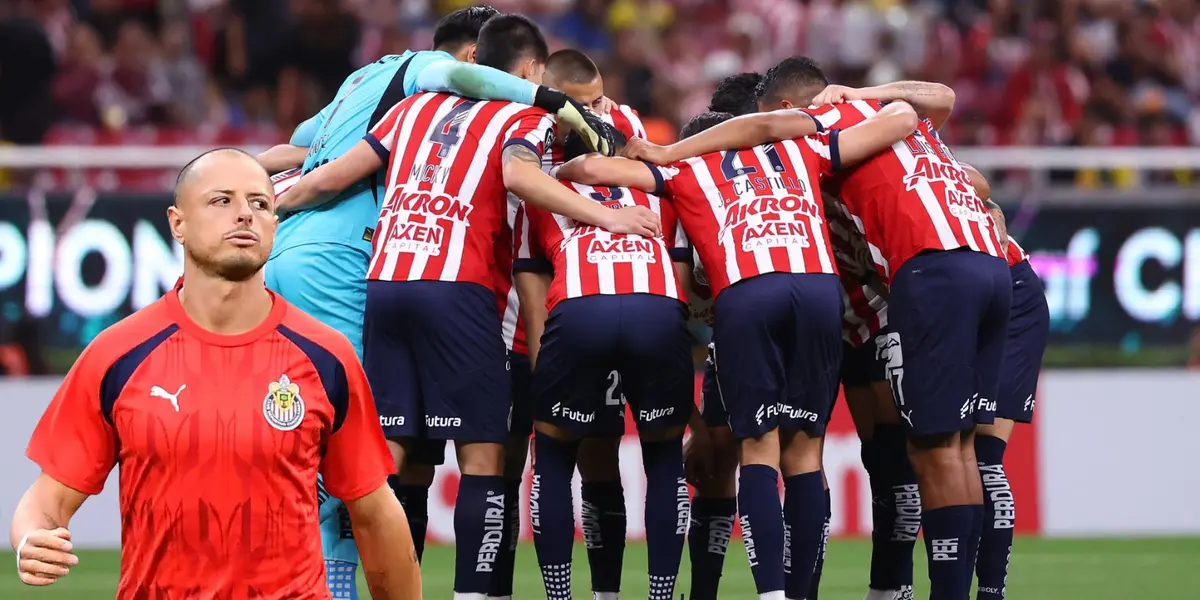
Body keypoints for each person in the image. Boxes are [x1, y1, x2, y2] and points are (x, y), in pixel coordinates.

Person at [281, 15, 660, 599]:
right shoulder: (521, 115)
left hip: (386, 282)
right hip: (457, 287)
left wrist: (259, 208)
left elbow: (324, 177)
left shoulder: (407, 112)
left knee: (395, 453)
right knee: (484, 452)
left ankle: (377, 588)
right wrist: (611, 215)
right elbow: (519, 174)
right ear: (531, 71)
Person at [648, 59, 1007, 599]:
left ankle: (891, 587)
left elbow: (964, 168)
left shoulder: (815, 138)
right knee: (775, 453)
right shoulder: (766, 164)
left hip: (869, 308)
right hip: (825, 305)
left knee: (889, 453)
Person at [9, 148, 420, 599]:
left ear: (275, 223)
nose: (244, 214)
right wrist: (31, 538)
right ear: (177, 223)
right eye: (221, 200)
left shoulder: (326, 356)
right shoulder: (118, 354)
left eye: (260, 203)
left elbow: (376, 513)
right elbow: (48, 501)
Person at [561, 101, 919, 600]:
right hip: (818, 289)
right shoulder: (801, 147)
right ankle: (800, 594)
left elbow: (591, 168)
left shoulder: (682, 167)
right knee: (805, 454)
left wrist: (559, 166)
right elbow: (903, 120)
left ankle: (770, 594)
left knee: (759, 448)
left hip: (748, 290)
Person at [515, 130, 693, 600]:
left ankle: (559, 596)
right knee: (665, 459)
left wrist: (544, 391)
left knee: (553, 459)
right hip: (657, 307)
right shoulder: (655, 189)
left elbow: (534, 303)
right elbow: (680, 279)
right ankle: (661, 595)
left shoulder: (541, 196)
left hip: (578, 310)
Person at [530, 47, 652, 600]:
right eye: (584, 105)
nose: (597, 113)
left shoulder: (624, 121)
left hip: (605, 298)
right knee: (543, 455)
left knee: (601, 453)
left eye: (601, 99)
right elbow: (525, 263)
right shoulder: (525, 134)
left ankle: (607, 593)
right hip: (550, 303)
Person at [971, 165, 1049, 600]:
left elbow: (979, 186)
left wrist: (992, 207)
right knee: (948, 456)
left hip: (1011, 297)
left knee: (984, 455)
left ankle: (992, 591)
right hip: (959, 295)